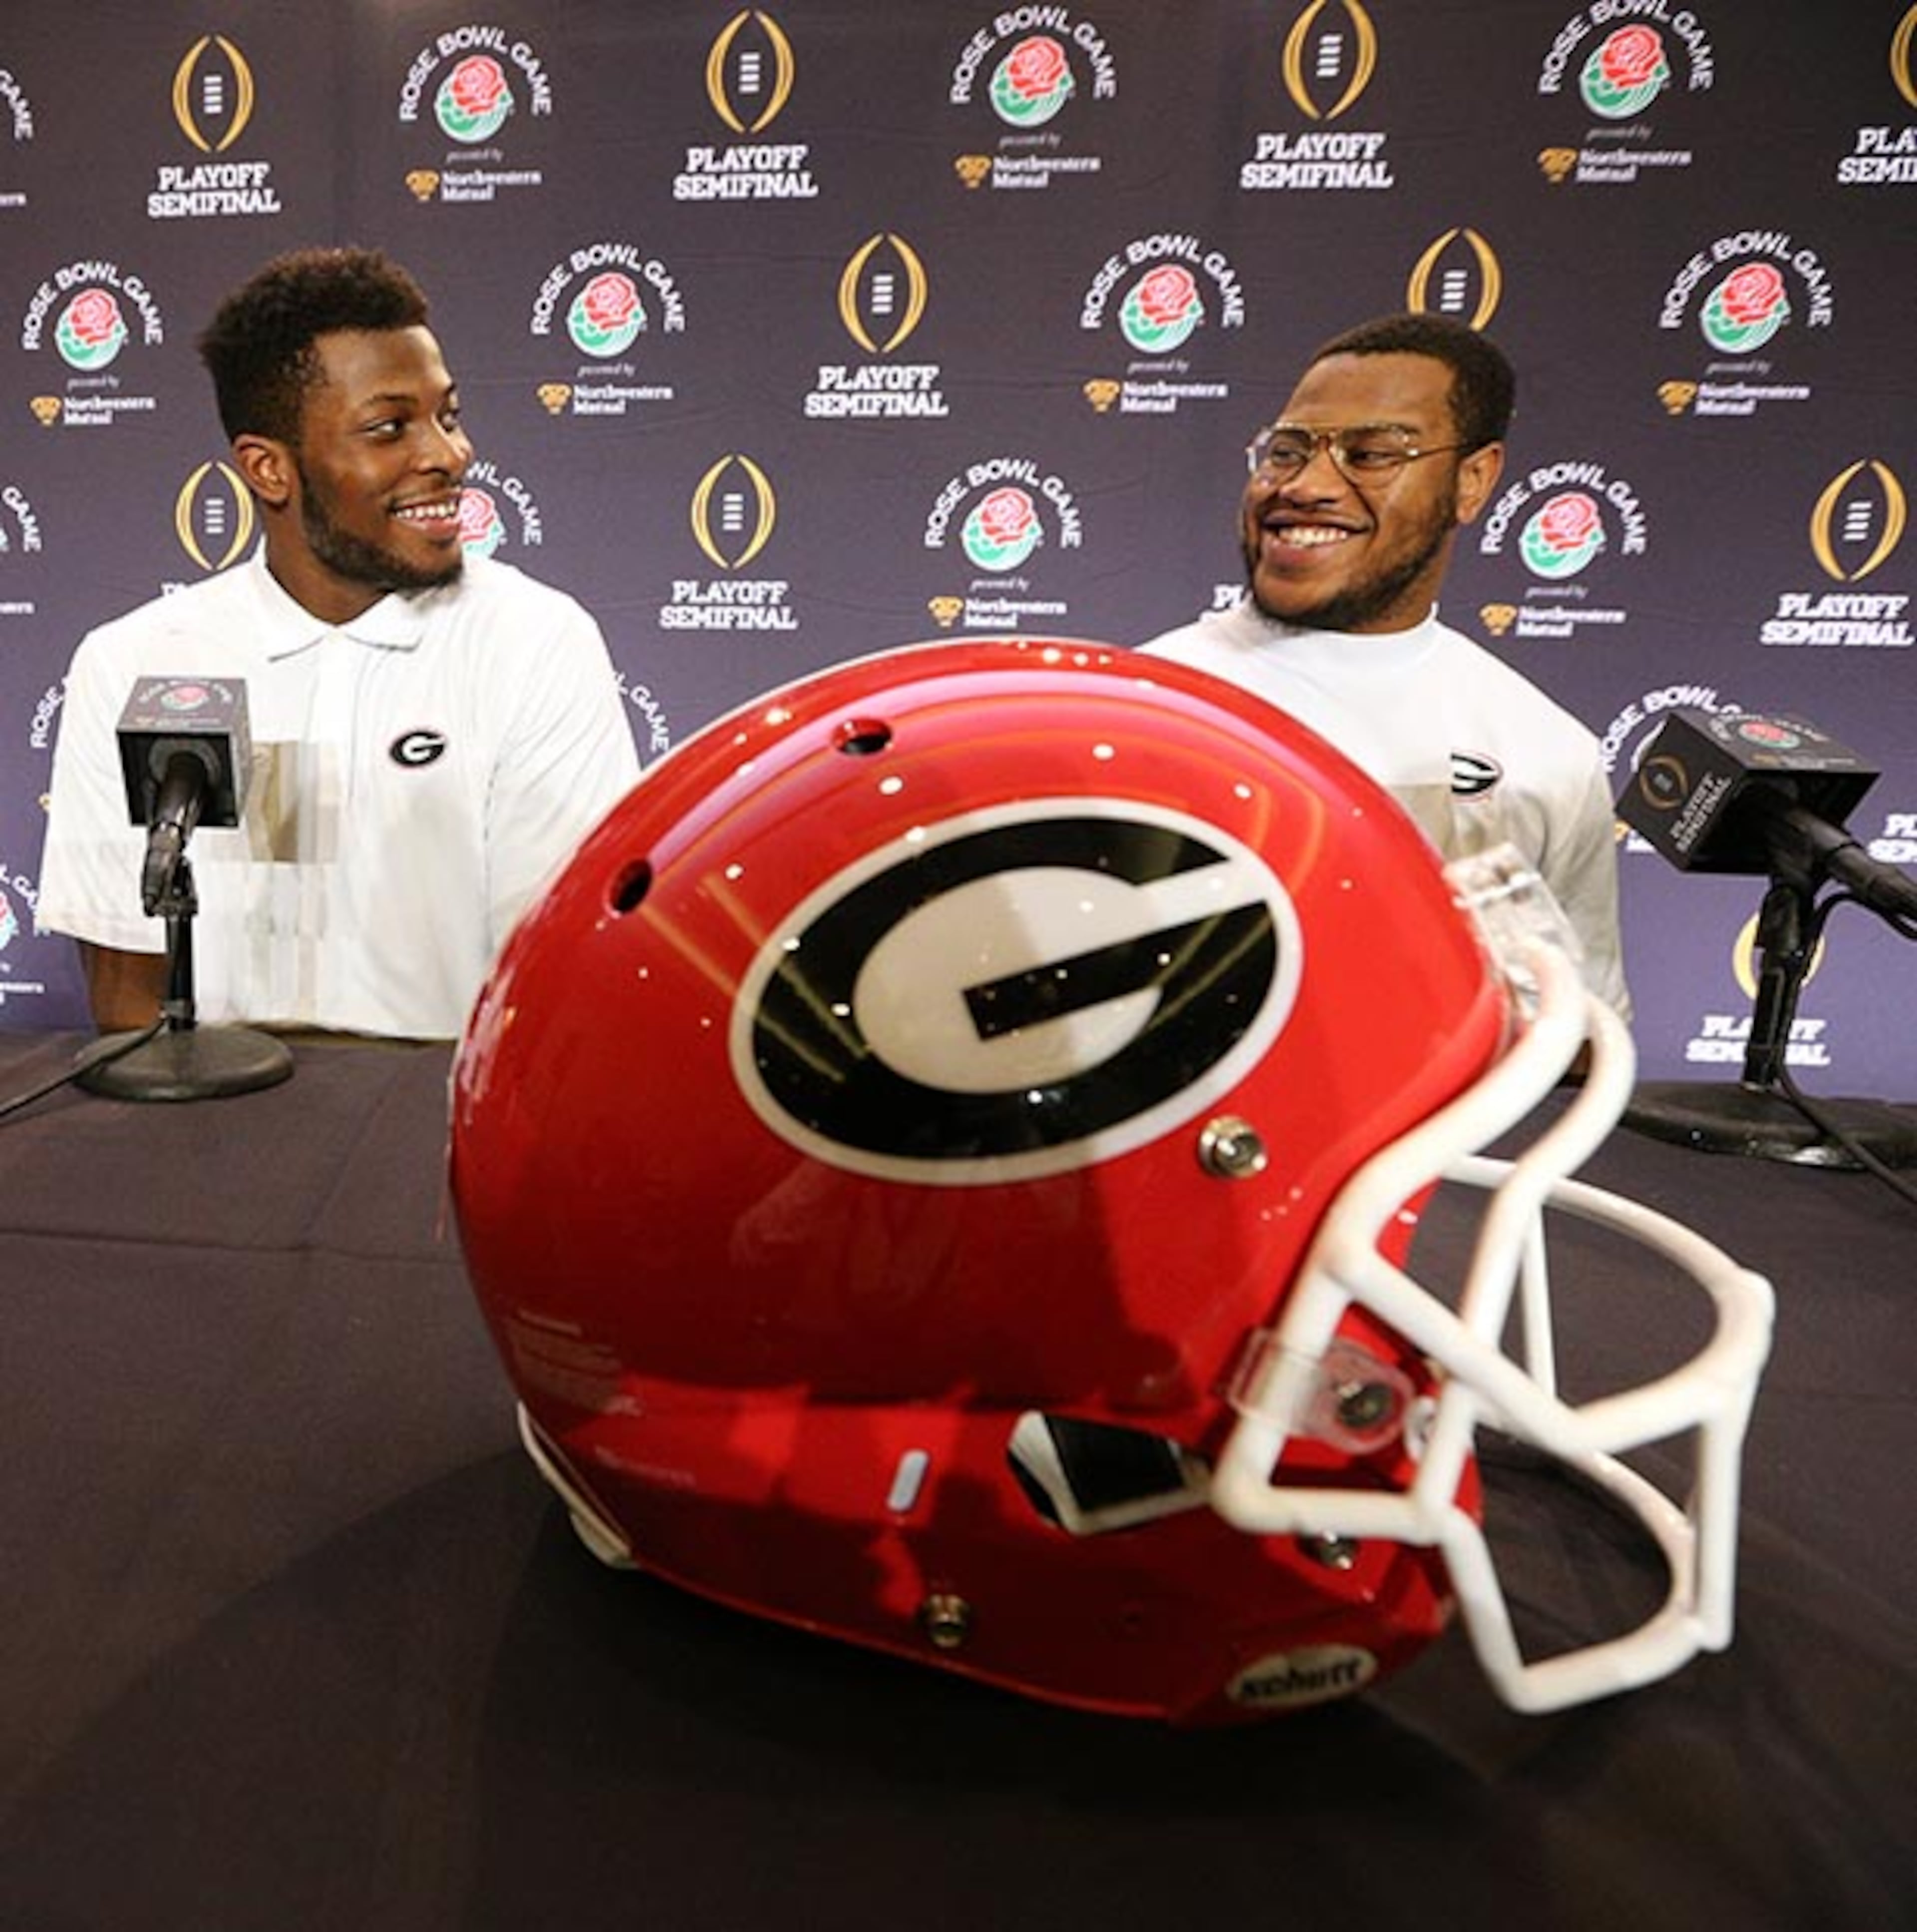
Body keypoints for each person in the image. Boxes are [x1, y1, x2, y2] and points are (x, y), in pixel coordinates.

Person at [37, 246, 641, 1040]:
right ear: (269, 470)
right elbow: (128, 993)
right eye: (390, 427)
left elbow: (564, 980)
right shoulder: (134, 662)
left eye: (447, 416)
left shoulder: (535, 642)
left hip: (440, 1136)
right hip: (209, 1142)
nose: (449, 454)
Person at [1139, 311, 1630, 1020]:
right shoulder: (1141, 702)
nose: (1305, 485)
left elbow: (1579, 1035)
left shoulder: (1544, 752)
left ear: (1473, 481)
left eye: (1371, 455)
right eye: (1286, 451)